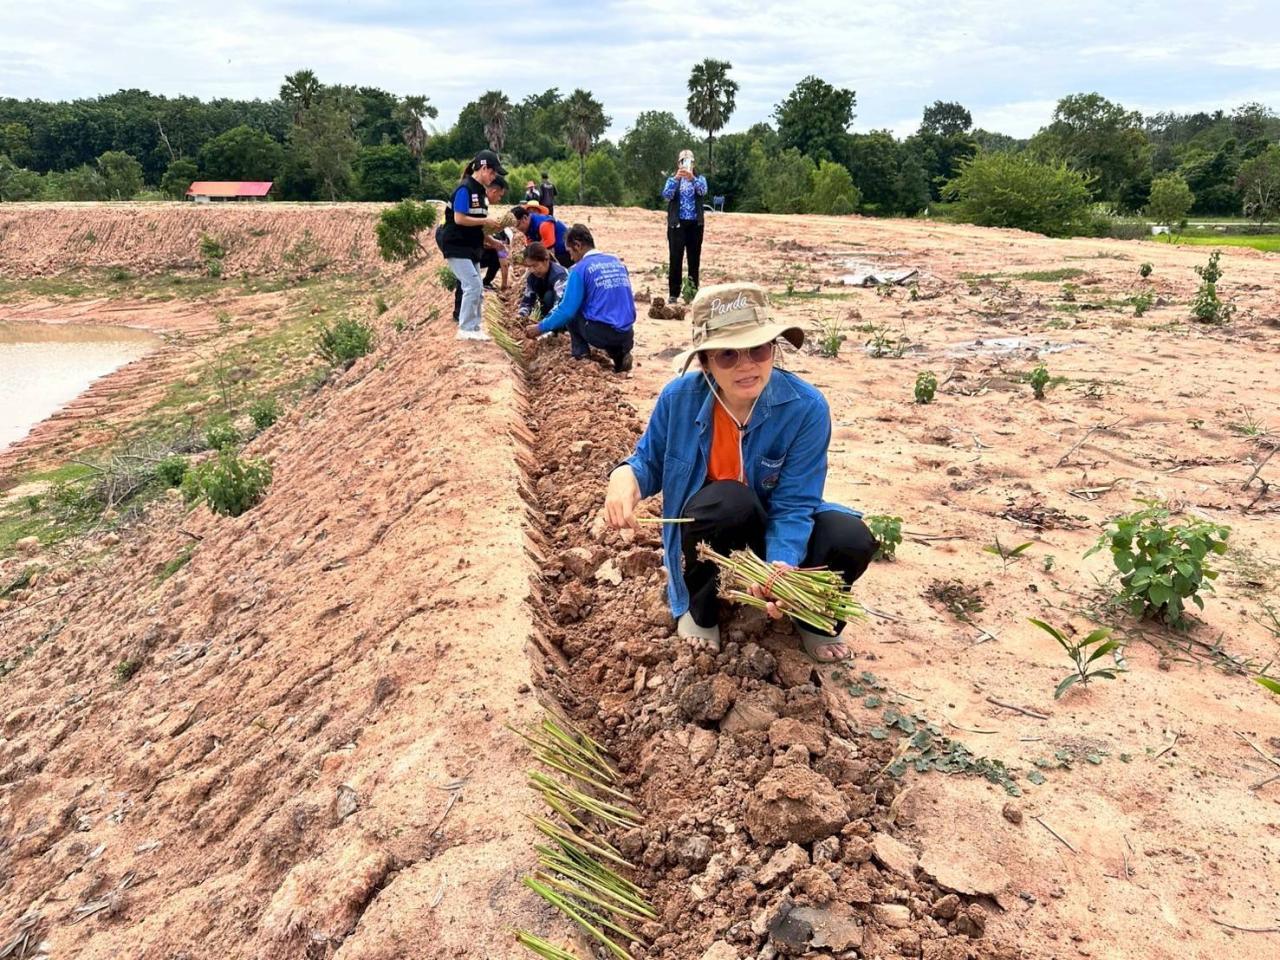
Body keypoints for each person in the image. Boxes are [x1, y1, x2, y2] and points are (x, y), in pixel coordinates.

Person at [604, 282, 877, 662]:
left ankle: (811, 618)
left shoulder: (806, 408)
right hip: (715, 537)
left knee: (849, 537)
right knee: (728, 500)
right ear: (706, 363)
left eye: (759, 349)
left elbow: (795, 503)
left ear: (774, 350)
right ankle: (702, 611)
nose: (747, 365)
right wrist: (624, 479)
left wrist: (781, 567)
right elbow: (648, 461)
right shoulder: (679, 398)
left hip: (775, 531)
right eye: (728, 355)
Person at [522, 224, 635, 374]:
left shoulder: (579, 269)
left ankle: (581, 357)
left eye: (570, 251)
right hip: (627, 333)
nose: (570, 257)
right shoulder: (617, 262)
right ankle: (620, 356)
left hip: (602, 333)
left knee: (573, 313)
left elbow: (566, 311)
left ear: (578, 245)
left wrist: (540, 327)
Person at [439, 149, 507, 341]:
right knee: (473, 285)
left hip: (472, 247)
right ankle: (465, 328)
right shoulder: (465, 190)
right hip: (457, 245)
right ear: (484, 168)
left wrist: (493, 242)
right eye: (493, 173)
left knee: (477, 288)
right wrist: (485, 222)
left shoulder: (481, 194)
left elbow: (477, 225)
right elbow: (460, 219)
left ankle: (475, 327)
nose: (493, 177)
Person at [662, 149, 708, 302]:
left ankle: (692, 292)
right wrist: (676, 178)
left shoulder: (700, 179)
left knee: (694, 259)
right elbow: (667, 194)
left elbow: (703, 191)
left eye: (688, 161)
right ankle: (674, 293)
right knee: (675, 258)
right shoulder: (672, 180)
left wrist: (693, 178)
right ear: (678, 163)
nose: (686, 164)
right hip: (677, 224)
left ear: (693, 163)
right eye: (683, 161)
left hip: (695, 224)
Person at [516, 242, 569, 322]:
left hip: (567, 314)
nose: (532, 270)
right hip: (552, 313)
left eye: (535, 266)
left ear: (546, 260)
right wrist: (521, 315)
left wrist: (542, 326)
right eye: (529, 266)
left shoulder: (560, 276)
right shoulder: (532, 276)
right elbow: (528, 300)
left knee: (549, 296)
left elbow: (561, 305)